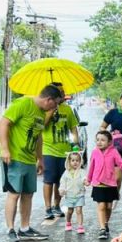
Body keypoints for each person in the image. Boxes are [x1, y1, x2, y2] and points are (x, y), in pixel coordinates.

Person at [0, 85, 62, 242]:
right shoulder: (23, 104)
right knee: (14, 193)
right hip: (14, 157)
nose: (55, 108)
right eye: (54, 104)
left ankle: (24, 228)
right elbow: (4, 123)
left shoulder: (41, 113)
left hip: (29, 159)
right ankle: (10, 230)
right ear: (48, 100)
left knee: (28, 194)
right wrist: (5, 149)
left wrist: (40, 159)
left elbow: (38, 136)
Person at [85, 130, 122, 239]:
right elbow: (91, 167)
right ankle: (102, 228)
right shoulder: (95, 152)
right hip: (98, 183)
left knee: (108, 206)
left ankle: (106, 223)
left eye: (103, 140)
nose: (99, 142)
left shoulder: (114, 152)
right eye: (98, 140)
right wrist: (88, 179)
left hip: (110, 184)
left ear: (109, 142)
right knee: (101, 205)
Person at [41, 84, 79, 220]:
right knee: (48, 180)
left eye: (63, 92)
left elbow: (73, 128)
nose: (62, 95)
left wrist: (76, 145)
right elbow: (40, 126)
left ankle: (56, 205)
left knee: (60, 181)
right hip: (48, 150)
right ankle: (47, 208)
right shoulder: (45, 108)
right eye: (59, 92)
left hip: (65, 152)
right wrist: (51, 112)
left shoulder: (67, 109)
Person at [58, 150, 87, 233]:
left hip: (79, 195)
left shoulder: (82, 172)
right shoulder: (66, 173)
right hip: (69, 196)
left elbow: (84, 178)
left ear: (80, 161)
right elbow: (63, 182)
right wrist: (62, 190)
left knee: (79, 210)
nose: (75, 162)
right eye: (73, 160)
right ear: (69, 161)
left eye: (77, 160)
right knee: (70, 211)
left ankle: (80, 226)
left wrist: (85, 181)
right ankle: (68, 222)